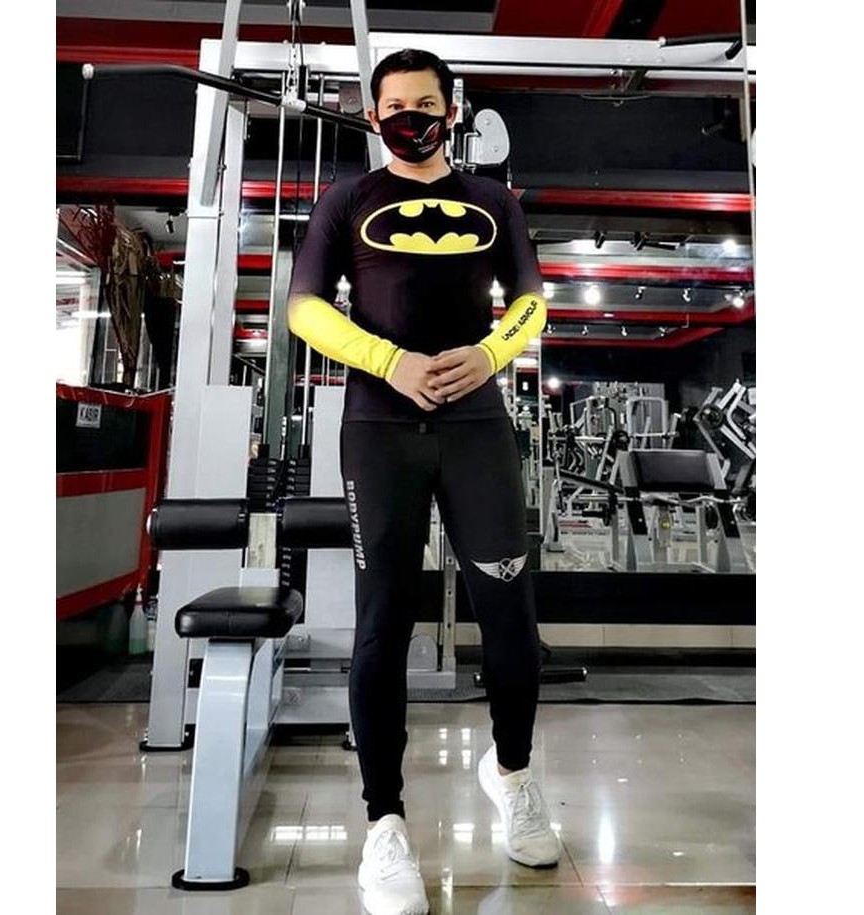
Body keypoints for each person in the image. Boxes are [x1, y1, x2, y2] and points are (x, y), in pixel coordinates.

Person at [287, 48, 560, 915]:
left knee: (510, 621)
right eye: (396, 105)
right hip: (379, 427)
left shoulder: (492, 201)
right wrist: (389, 362)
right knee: (382, 622)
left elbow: (531, 297)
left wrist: (490, 353)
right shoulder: (347, 200)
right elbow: (303, 306)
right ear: (373, 117)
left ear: (451, 110)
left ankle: (511, 773)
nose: (411, 116)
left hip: (476, 425)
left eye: (426, 103)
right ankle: (385, 822)